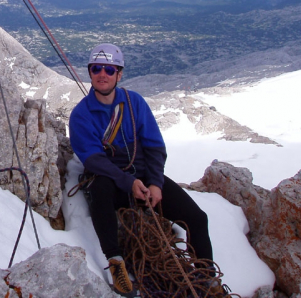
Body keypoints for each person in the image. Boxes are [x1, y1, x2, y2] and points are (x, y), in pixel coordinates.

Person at [69, 43, 224, 297]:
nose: (102, 74)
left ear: (119, 74)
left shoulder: (135, 104)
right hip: (111, 181)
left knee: (197, 218)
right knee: (100, 189)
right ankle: (115, 262)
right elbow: (94, 160)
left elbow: (154, 147)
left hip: (143, 179)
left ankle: (205, 278)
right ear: (90, 73)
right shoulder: (81, 115)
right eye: (96, 68)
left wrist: (155, 183)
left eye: (110, 69)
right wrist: (127, 182)